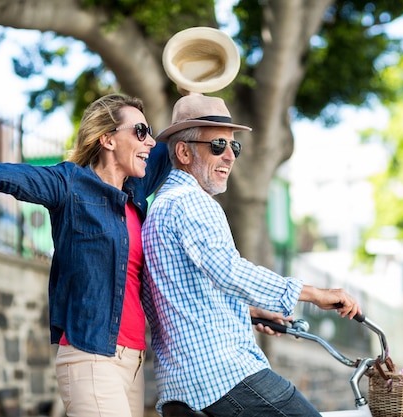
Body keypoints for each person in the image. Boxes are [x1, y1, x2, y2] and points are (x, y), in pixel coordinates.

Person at [0, 93, 171, 417]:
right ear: (107, 139)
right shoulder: (69, 184)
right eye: (140, 131)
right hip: (92, 357)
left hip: (133, 359)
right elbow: (6, 175)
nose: (150, 141)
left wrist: (190, 86)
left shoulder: (134, 192)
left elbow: (177, 142)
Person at [141, 93, 363, 417]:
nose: (230, 156)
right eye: (218, 145)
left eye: (235, 146)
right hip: (222, 375)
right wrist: (314, 294)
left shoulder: (164, 203)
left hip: (182, 383)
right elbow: (228, 272)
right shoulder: (191, 202)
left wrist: (251, 310)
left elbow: (185, 298)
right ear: (184, 152)